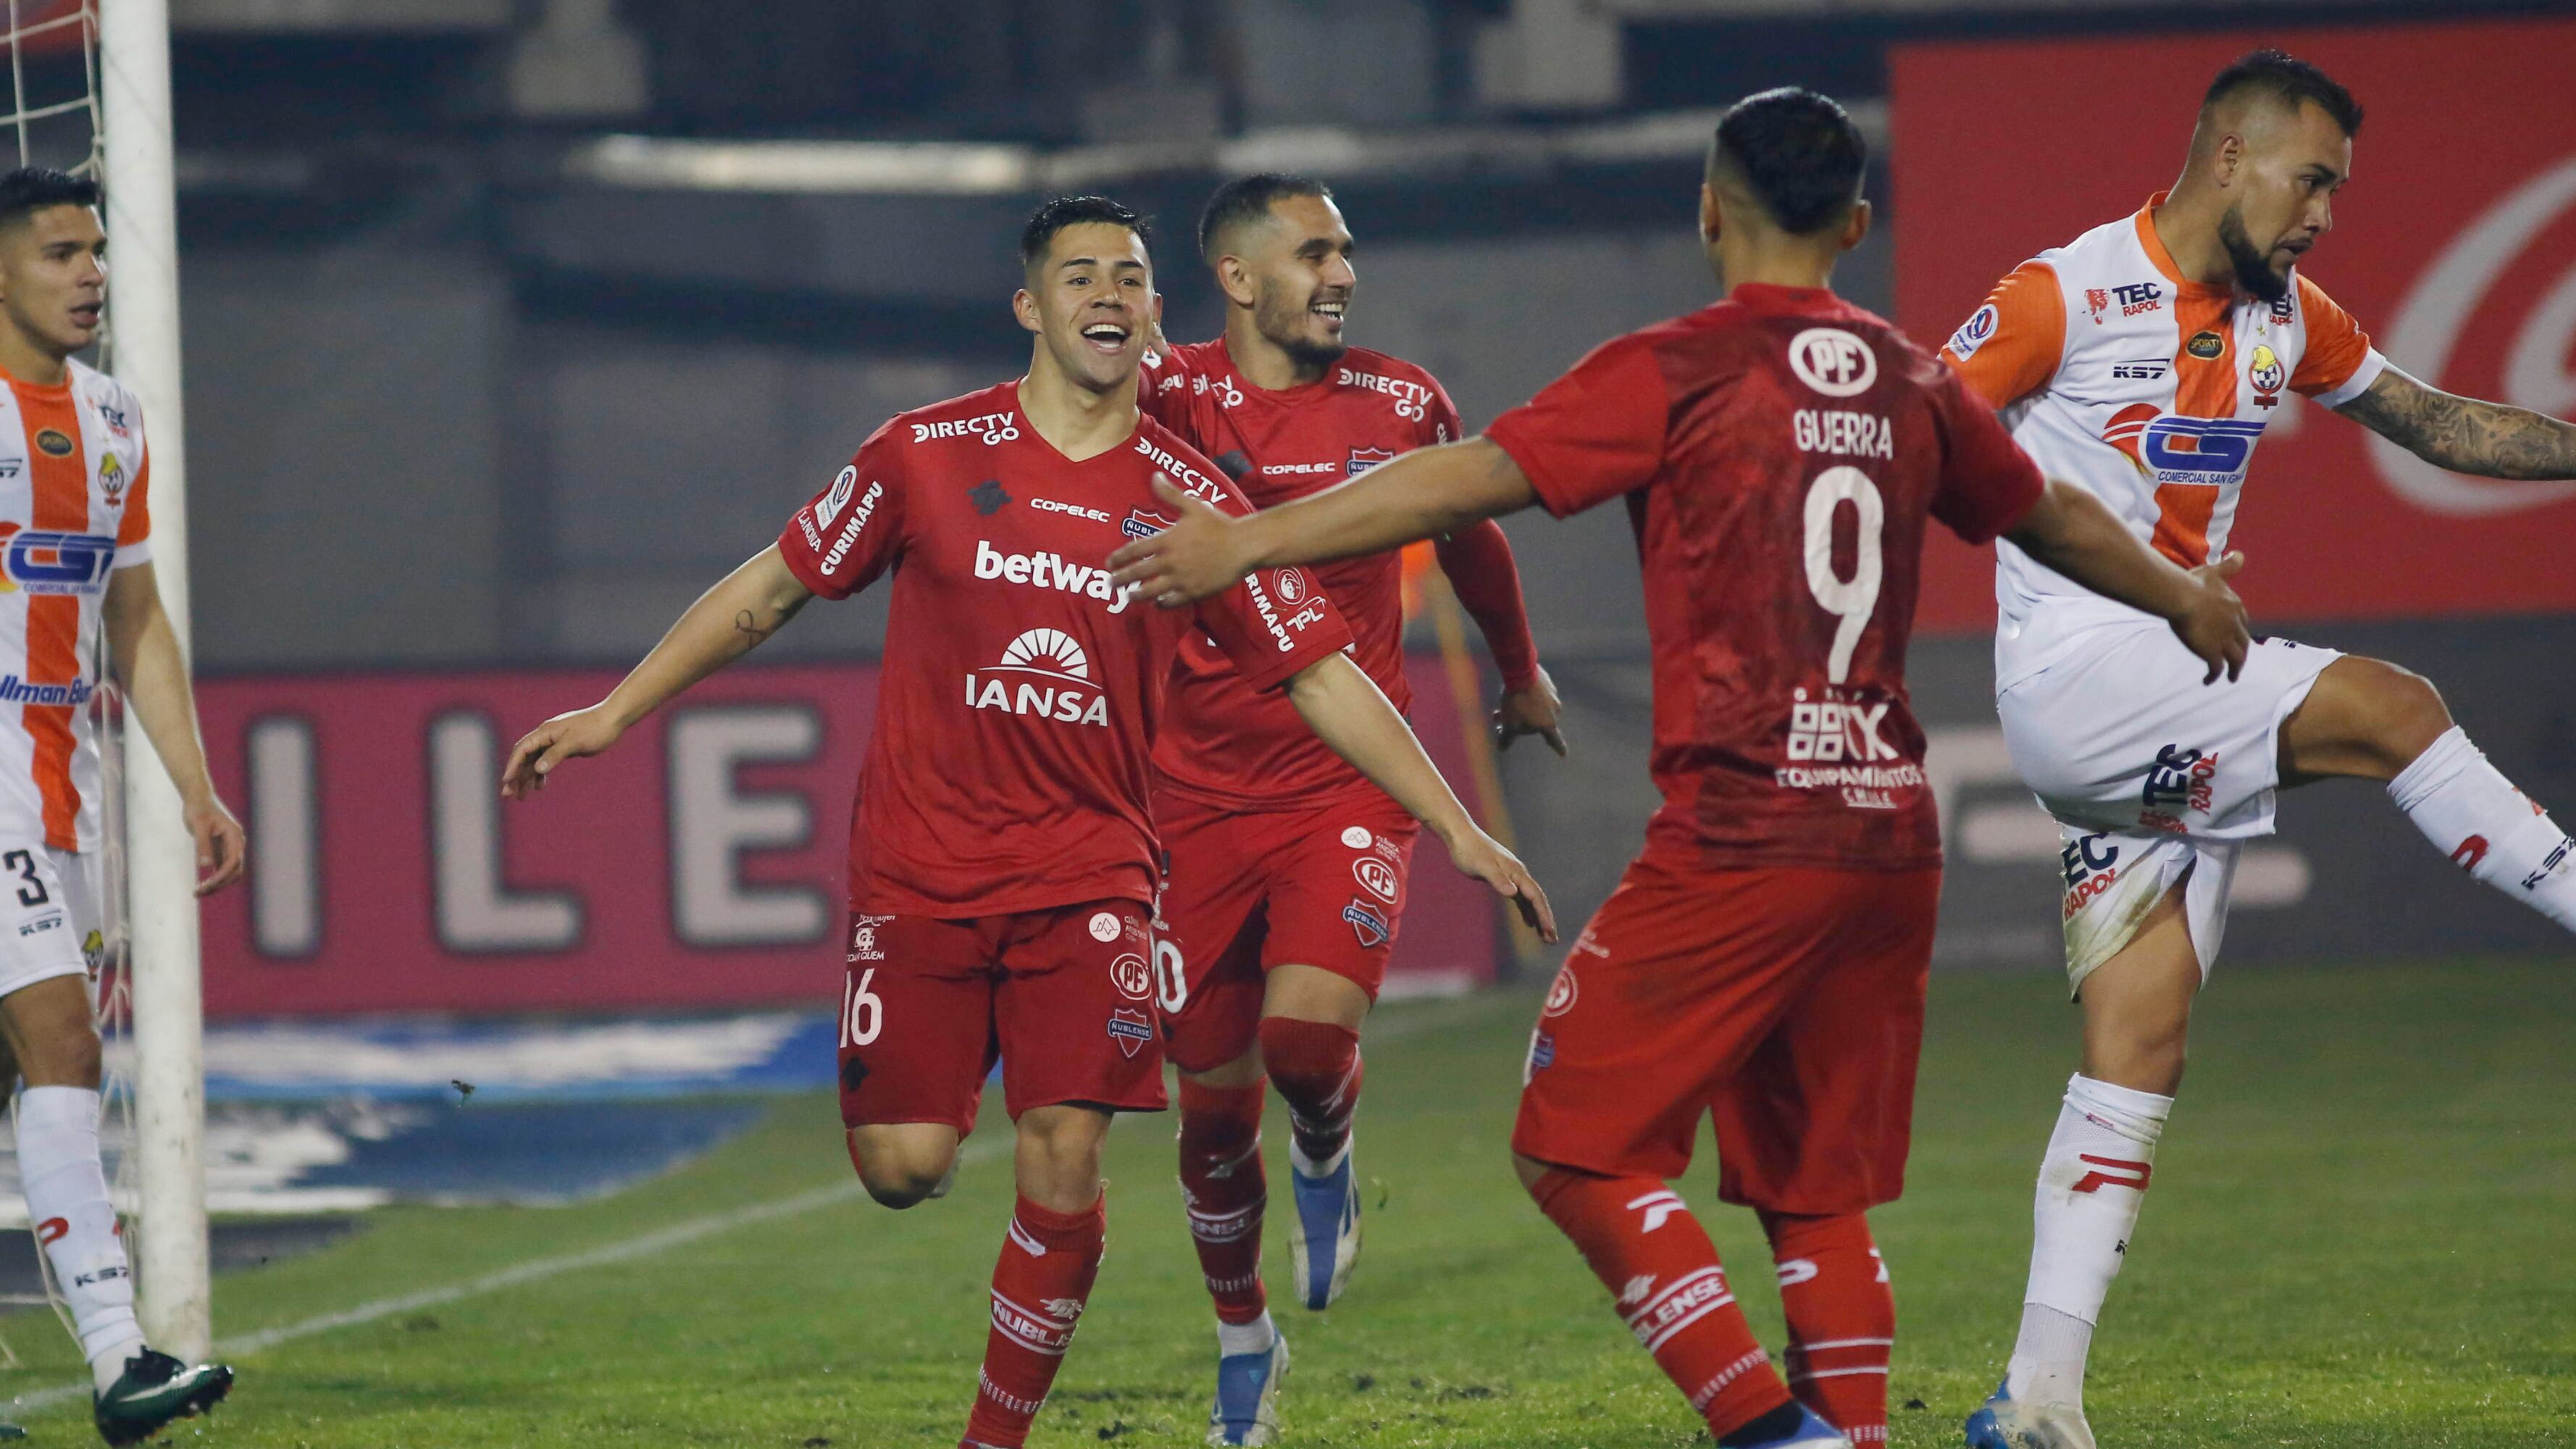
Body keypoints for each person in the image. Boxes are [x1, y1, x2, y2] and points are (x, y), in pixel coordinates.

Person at [1108, 89, 2251, 1449]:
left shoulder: (1676, 367)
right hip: (1889, 834)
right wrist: (2181, 594)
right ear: (1858, 226)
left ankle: (1777, 1435)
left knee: (1571, 1145)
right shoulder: (1914, 376)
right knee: (1816, 1197)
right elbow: (2045, 510)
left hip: (1743, 829)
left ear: (1710, 211)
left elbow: (1469, 480)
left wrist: (1249, 542)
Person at [499, 195, 1552, 1449]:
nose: (1106, 294)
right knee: (904, 1168)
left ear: (1160, 312)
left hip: (1097, 873)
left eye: (1128, 276)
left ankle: (994, 1438)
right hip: (922, 872)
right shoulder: (923, 453)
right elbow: (773, 587)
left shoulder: (1188, 504)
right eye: (1079, 277)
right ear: (1031, 307)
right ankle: (1206, 1300)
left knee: (1067, 1157)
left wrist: (1458, 828)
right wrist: (619, 711)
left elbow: (1325, 674)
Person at [1933, 51, 2576, 1449]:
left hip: (2160, 696)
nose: (2325, 214)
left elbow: (2442, 422)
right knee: (2394, 707)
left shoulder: (2290, 314)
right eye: (2314, 179)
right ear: (2231, 153)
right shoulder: (2063, 291)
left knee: (2138, 1047)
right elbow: (1924, 423)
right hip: (2084, 670)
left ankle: (2036, 1400)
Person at [1135, 172, 1560, 1445]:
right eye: (1313, 251)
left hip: (1344, 780)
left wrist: (1522, 668)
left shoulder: (1402, 398)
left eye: (1347, 250)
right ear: (1238, 276)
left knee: (1306, 1052)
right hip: (1187, 796)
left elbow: (1475, 531)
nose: (1341, 273)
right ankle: (1241, 1340)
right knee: (1209, 1117)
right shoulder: (1165, 397)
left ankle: (1327, 1141)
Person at [0, 168, 246, 1447]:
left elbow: (135, 621)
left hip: (61, 783)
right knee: (66, 1052)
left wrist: (194, 789)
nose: (90, 272)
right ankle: (118, 1359)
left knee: (24, 1075)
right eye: (58, 252)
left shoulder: (111, 421)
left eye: (95, 250)